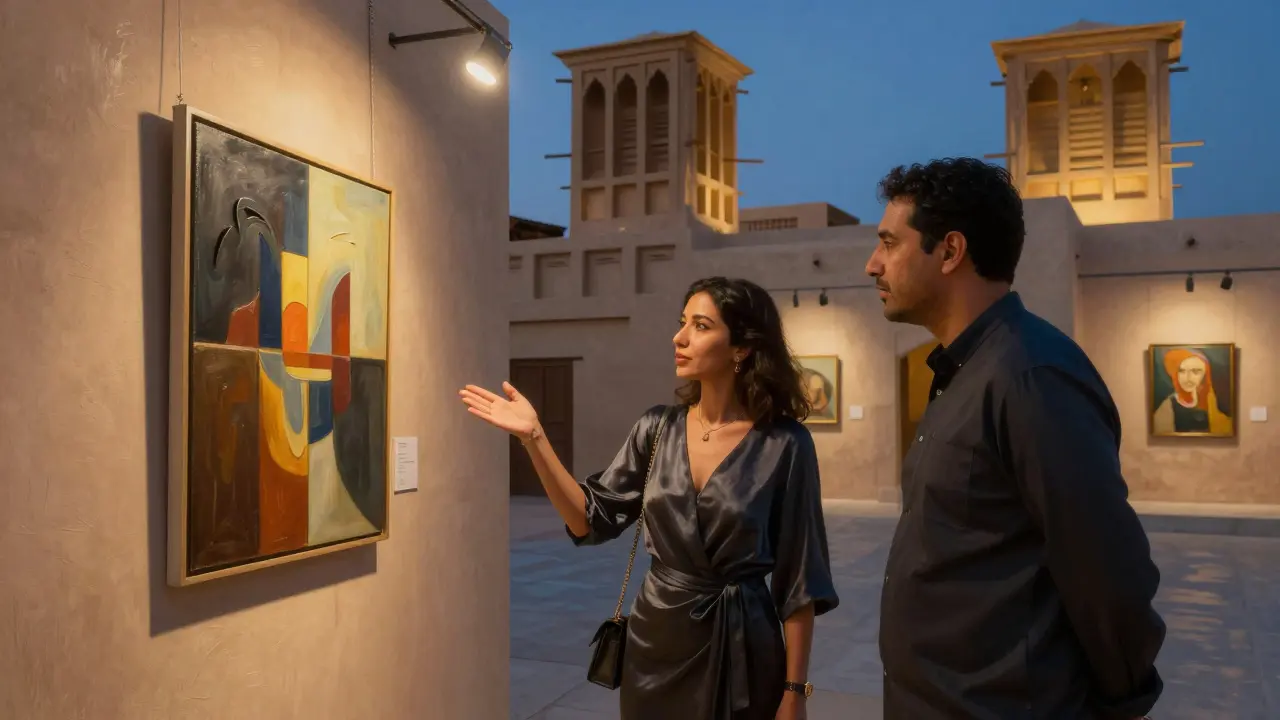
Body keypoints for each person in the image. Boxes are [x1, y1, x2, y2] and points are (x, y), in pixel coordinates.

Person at [864, 157, 1166, 719]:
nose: (872, 264)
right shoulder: (964, 372)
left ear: (950, 251)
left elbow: (1107, 571)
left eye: (889, 243)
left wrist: (1121, 698)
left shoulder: (1030, 375)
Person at [460, 276, 839, 720]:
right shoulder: (657, 428)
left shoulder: (785, 443)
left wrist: (795, 691)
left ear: (741, 347)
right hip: (656, 643)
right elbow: (589, 519)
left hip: (743, 649)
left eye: (700, 326)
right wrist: (535, 438)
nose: (679, 338)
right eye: (682, 323)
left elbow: (800, 579)